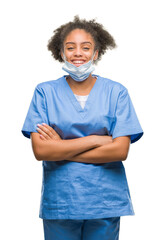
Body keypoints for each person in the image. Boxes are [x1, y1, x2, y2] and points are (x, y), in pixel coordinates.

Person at [21, 16, 143, 240]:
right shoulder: (45, 92)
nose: (78, 53)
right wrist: (98, 140)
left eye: (86, 48)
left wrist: (61, 147)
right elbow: (42, 151)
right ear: (61, 52)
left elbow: (120, 151)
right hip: (61, 201)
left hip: (104, 202)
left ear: (96, 53)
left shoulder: (116, 92)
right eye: (70, 47)